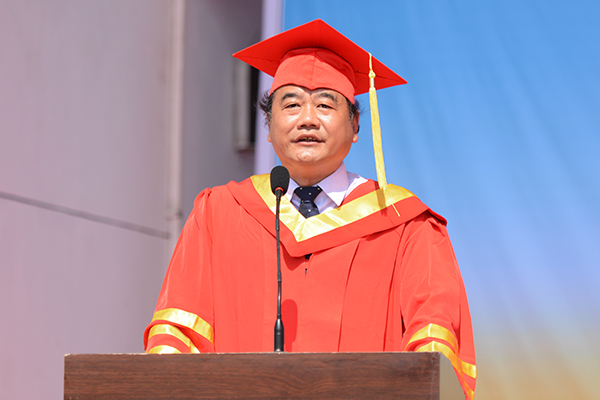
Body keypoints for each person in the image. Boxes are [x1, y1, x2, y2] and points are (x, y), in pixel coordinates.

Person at [144, 19, 476, 399]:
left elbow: (433, 339)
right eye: (291, 104)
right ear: (268, 124)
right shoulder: (218, 214)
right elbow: (178, 335)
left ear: (355, 125)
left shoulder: (405, 225)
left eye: (324, 105)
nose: (307, 119)